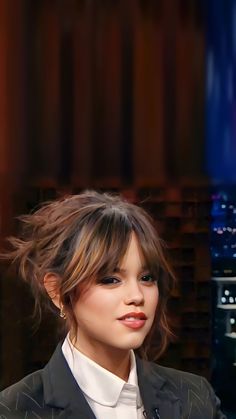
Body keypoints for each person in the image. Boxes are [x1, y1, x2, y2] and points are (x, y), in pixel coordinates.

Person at [0, 190, 226, 419]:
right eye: (110, 280)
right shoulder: (14, 411)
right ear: (57, 291)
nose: (137, 296)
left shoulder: (196, 398)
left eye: (146, 278)